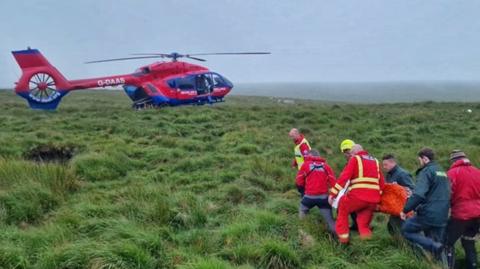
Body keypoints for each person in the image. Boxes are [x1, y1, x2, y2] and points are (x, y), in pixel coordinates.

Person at [400, 148, 450, 263]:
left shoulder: (427, 171)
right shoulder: (442, 172)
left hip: (428, 213)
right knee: (439, 248)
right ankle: (440, 263)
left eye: (420, 160)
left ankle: (431, 246)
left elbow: (418, 194)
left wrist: (405, 209)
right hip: (442, 214)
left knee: (407, 229)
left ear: (425, 159)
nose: (420, 163)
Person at [329, 144, 385, 244]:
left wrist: (333, 194)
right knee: (363, 225)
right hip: (373, 200)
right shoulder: (375, 161)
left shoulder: (355, 159)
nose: (350, 155)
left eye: (351, 153)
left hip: (358, 197)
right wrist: (379, 196)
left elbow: (344, 177)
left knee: (342, 207)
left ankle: (343, 240)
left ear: (354, 152)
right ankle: (368, 245)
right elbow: (381, 182)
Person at [444, 150, 480, 269]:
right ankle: (473, 265)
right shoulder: (477, 172)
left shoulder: (452, 173)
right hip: (477, 214)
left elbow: (447, 194)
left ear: (454, 161)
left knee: (447, 242)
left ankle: (449, 265)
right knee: (469, 241)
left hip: (460, 215)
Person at [296, 149, 337, 234]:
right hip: (324, 198)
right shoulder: (326, 166)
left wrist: (302, 191)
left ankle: (303, 230)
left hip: (309, 197)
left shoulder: (306, 165)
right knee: (330, 221)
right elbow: (334, 182)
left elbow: (299, 180)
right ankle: (339, 239)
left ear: (310, 156)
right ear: (318, 156)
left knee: (302, 209)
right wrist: (333, 195)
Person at [382, 154, 415, 235]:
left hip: (403, 209)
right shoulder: (389, 175)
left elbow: (411, 190)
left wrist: (407, 209)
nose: (384, 167)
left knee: (401, 229)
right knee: (391, 227)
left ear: (392, 163)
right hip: (395, 208)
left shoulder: (402, 174)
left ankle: (411, 246)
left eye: (385, 164)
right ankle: (400, 244)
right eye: (383, 165)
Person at [339, 139, 359, 231]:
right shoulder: (352, 162)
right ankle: (356, 226)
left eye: (348, 152)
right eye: (345, 153)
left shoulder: (356, 161)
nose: (346, 155)